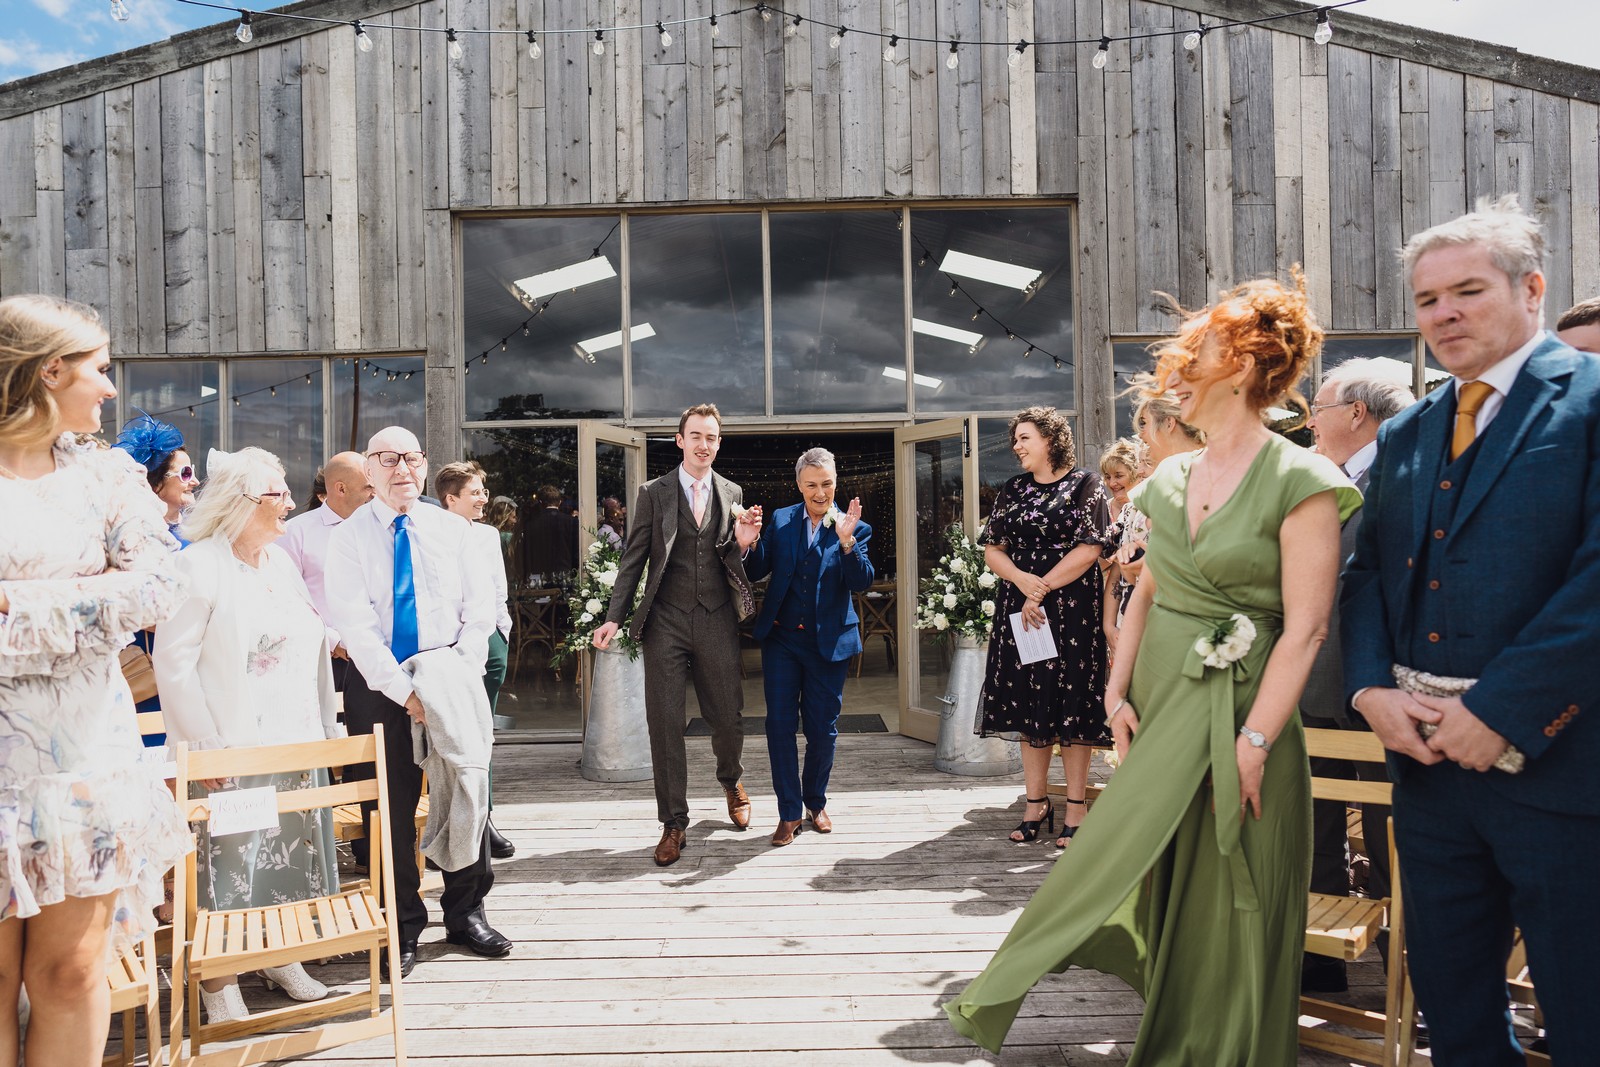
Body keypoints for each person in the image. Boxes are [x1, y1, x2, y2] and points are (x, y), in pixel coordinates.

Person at [946, 273, 1358, 1061]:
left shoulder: (1305, 480)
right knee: (1118, 861)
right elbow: (1146, 594)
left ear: (1244, 366)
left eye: (1195, 354)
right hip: (1161, 702)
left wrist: (1257, 741)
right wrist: (1115, 693)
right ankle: (1029, 993)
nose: (1175, 371)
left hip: (1248, 714)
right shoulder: (1169, 479)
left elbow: (1306, 630)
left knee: (1231, 892)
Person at [1342, 195, 1600, 1064]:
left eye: (1467, 291)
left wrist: (1502, 711)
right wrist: (1368, 687)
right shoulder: (1410, 430)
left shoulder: (1591, 401)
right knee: (1454, 1016)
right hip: (1428, 777)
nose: (1443, 313)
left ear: (1531, 289)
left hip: (1566, 774)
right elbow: (1368, 574)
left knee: (1586, 1014)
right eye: (1427, 299)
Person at [0, 294, 190, 1065]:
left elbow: (158, 588)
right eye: (100, 369)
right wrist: (91, 597)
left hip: (85, 762)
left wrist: (16, 604)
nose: (112, 388)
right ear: (50, 371)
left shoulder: (109, 476)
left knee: (72, 972)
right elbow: (123, 594)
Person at [152, 447, 343, 1021]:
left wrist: (326, 728)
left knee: (290, 856)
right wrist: (204, 747)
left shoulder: (279, 563)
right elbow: (173, 665)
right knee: (229, 865)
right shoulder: (198, 564)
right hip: (231, 748)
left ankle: (280, 955)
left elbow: (309, 646)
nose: (289, 503)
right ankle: (219, 983)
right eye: (276, 494)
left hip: (294, 741)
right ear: (240, 503)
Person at [324, 427, 504, 977]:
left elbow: (480, 612)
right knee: (389, 809)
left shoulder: (454, 530)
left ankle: (466, 913)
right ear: (368, 471)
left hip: (450, 677)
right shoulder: (348, 539)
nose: (402, 468)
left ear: (425, 466)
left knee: (466, 791)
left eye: (412, 457)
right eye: (388, 459)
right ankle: (401, 925)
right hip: (380, 687)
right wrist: (407, 693)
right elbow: (356, 628)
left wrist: (454, 677)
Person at [591, 403, 762, 867]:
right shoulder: (654, 492)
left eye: (712, 437)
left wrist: (743, 543)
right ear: (680, 441)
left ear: (719, 443)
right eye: (696, 436)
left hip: (716, 618)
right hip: (665, 620)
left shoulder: (732, 491)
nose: (704, 445)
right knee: (665, 722)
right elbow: (634, 558)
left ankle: (731, 780)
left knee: (727, 716)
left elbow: (728, 556)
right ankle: (673, 822)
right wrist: (614, 617)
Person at [1299, 357, 1416, 992]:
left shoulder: (1408, 476)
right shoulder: (1321, 480)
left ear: (1356, 412)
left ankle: (1408, 972)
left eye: (1317, 408)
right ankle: (1319, 962)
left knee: (1388, 833)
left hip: (1383, 694)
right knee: (1314, 825)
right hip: (1316, 685)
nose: (1309, 422)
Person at [976, 407, 1114, 849]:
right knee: (1029, 705)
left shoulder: (1086, 484)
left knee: (1072, 706)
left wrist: (1042, 588)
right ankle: (1035, 804)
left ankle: (1075, 807)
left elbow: (1091, 548)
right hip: (1022, 609)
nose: (1016, 446)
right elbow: (993, 549)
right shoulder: (1013, 489)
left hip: (1072, 609)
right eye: (1015, 438)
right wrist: (1022, 582)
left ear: (1051, 439)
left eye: (1024, 438)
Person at [743, 448, 874, 846]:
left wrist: (847, 543)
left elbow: (861, 582)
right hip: (782, 640)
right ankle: (789, 812)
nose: (820, 493)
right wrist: (747, 544)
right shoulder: (781, 519)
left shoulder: (855, 526)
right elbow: (756, 569)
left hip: (828, 643)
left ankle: (815, 802)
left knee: (822, 729)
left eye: (827, 484)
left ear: (836, 483)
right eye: (812, 484)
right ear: (799, 484)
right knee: (779, 726)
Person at [436, 460, 515, 860]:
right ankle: (449, 823)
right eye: (475, 492)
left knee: (482, 735)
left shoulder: (488, 535)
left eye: (484, 491)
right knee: (451, 737)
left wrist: (502, 634)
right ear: (450, 499)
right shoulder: (430, 533)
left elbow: (498, 589)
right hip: (448, 648)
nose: (483, 498)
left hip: (490, 643)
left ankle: (485, 818)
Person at [278, 450, 372, 692]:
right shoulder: (295, 533)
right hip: (324, 658)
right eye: (368, 487)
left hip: (378, 657)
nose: (375, 494)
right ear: (341, 489)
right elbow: (283, 600)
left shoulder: (384, 530)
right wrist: (333, 641)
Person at [112, 410, 199, 546]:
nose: (196, 482)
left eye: (192, 471)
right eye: (186, 473)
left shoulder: (200, 528)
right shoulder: (138, 537)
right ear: (156, 484)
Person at [1097, 438, 1145, 658]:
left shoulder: (1143, 510)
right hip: (1101, 593)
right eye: (1107, 477)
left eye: (1118, 475)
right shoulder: (1100, 511)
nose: (1112, 482)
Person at [518, 484, 577, 586]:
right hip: (564, 577)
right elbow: (576, 552)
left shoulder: (530, 525)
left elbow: (527, 555)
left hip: (538, 578)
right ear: (560, 502)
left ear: (540, 503)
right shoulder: (571, 522)